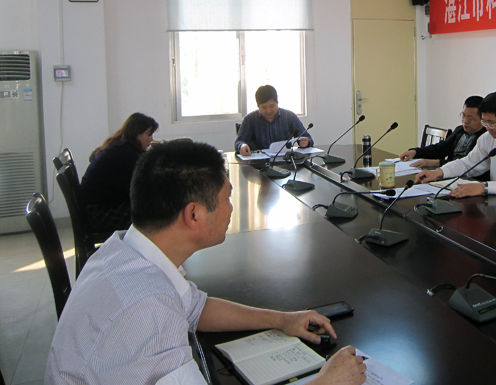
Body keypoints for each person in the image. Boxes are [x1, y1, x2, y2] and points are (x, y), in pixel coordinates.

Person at [46, 140, 366, 385]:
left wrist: (282, 320)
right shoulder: (149, 311)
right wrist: (326, 382)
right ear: (194, 214)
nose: (231, 208)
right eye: (227, 198)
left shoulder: (124, 250)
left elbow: (195, 308)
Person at [80, 112, 159, 231]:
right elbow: (144, 185)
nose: (151, 139)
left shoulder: (120, 147)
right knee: (157, 215)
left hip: (92, 209)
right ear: (137, 134)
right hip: (99, 214)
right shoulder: (125, 154)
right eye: (149, 134)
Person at [399, 96, 487, 177]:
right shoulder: (460, 130)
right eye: (463, 116)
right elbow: (440, 149)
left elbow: (466, 164)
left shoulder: (485, 138)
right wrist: (415, 152)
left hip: (469, 179)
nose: (465, 121)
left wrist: (436, 163)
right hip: (448, 174)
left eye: (470, 118)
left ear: (482, 119)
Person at [236, 85, 313, 156]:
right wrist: (242, 146)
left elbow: (307, 138)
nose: (268, 110)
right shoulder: (250, 119)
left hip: (284, 160)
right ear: (258, 106)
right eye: (264, 107)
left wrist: (305, 142)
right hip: (258, 161)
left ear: (277, 102)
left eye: (272, 106)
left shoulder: (289, 116)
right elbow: (239, 142)